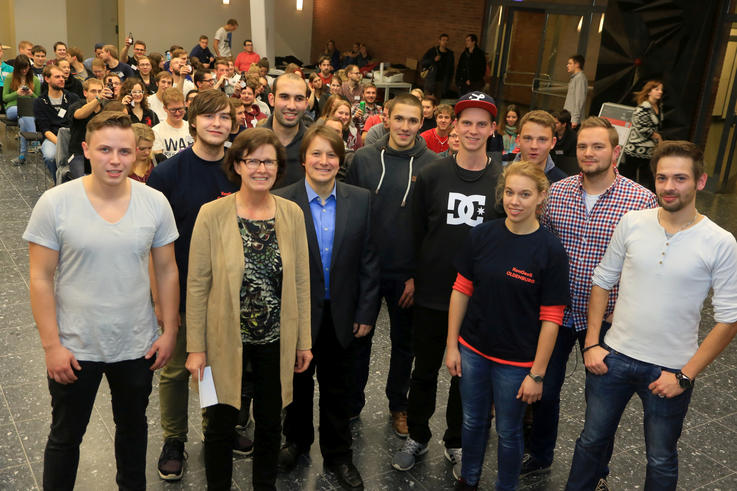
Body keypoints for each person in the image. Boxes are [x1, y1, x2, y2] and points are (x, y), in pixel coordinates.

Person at [566, 141, 737, 490]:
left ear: (700, 182)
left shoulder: (720, 242)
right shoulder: (632, 223)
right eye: (662, 178)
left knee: (660, 458)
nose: (669, 186)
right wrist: (592, 343)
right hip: (612, 358)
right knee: (590, 443)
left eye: (680, 178)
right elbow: (601, 281)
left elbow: (729, 319)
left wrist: (686, 376)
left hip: (670, 371)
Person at [24, 111, 180, 490]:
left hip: (136, 344)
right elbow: (40, 277)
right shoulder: (55, 202)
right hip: (75, 346)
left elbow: (167, 270)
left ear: (137, 153)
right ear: (86, 150)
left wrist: (170, 331)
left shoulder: (155, 202)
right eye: (105, 149)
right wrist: (51, 347)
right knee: (65, 437)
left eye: (125, 151)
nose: (115, 159)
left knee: (132, 431)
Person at [523, 117, 657, 485]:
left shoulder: (642, 200)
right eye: (582, 146)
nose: (588, 153)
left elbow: (648, 262)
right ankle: (538, 454)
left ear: (615, 152)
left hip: (609, 318)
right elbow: (543, 250)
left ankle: (597, 472)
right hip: (557, 312)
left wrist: (626, 302)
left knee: (601, 405)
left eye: (597, 146)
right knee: (545, 391)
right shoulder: (558, 192)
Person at [185, 127, 312, 490]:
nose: (261, 168)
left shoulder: (291, 214)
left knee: (271, 424)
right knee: (217, 424)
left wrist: (303, 341)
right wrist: (196, 348)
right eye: (252, 160)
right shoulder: (211, 214)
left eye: (269, 161)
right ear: (237, 165)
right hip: (217, 341)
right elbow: (197, 285)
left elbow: (300, 281)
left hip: (275, 339)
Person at [393, 91, 503, 475]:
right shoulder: (433, 175)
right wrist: (410, 276)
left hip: (480, 299)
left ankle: (455, 441)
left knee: (467, 375)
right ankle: (418, 436)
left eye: (481, 123)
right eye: (466, 122)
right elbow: (414, 229)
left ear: (493, 129)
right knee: (423, 370)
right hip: (433, 293)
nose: (473, 130)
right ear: (454, 126)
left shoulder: (503, 178)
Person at [147, 90, 254, 481]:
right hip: (180, 290)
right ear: (193, 121)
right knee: (176, 370)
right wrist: (161, 302)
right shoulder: (166, 174)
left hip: (229, 293)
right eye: (210, 117)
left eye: (225, 117)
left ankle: (215, 432)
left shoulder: (238, 170)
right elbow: (153, 246)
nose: (218, 124)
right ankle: (174, 438)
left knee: (215, 369)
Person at [446, 160, 570, 491]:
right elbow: (461, 290)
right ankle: (468, 479)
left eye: (525, 194)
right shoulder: (482, 234)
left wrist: (537, 373)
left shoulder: (551, 250)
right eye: (510, 193)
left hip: (517, 362)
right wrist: (452, 345)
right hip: (473, 349)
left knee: (509, 430)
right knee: (472, 420)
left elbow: (552, 318)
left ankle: (506, 485)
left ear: (541, 197)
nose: (515, 201)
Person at [274, 126, 380, 489]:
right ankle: (295, 443)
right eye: (316, 154)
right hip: (299, 317)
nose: (323, 161)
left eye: (331, 155)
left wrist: (366, 312)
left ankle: (339, 456)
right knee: (297, 386)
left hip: (344, 316)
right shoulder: (281, 202)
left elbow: (369, 260)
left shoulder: (361, 200)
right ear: (303, 159)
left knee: (339, 389)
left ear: (341, 160)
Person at [345, 93, 439, 436]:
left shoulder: (433, 164)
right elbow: (349, 214)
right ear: (386, 117)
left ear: (421, 123)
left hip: (407, 274)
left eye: (413, 120)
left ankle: (399, 405)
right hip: (365, 270)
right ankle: (351, 405)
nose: (405, 126)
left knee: (404, 346)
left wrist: (418, 275)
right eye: (399, 118)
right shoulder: (364, 159)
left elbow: (433, 227)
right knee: (358, 341)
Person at [33, 64, 79, 181]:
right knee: (50, 156)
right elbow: (45, 130)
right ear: (47, 79)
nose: (62, 79)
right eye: (57, 77)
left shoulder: (72, 98)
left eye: (63, 77)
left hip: (72, 135)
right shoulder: (40, 102)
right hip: (52, 137)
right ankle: (57, 181)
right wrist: (60, 143)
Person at [264, 73, 310, 188]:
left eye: (299, 99)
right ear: (271, 99)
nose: (291, 106)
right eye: (284, 97)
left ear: (306, 103)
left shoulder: (314, 145)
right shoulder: (251, 142)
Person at [621, 80, 664, 192]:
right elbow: (641, 127)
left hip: (649, 150)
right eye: (657, 89)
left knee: (651, 176)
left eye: (661, 89)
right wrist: (657, 137)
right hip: (636, 148)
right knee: (629, 176)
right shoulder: (644, 107)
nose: (660, 92)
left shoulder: (658, 106)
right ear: (649, 92)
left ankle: (651, 199)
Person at [67, 78, 114, 178]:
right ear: (85, 93)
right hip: (79, 153)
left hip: (102, 152)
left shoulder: (107, 108)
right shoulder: (77, 105)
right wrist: (98, 99)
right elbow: (79, 114)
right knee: (81, 180)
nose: (97, 94)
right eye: (93, 91)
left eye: (99, 91)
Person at [3, 54, 41, 166]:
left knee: (23, 121)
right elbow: (5, 98)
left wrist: (31, 93)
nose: (24, 70)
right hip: (13, 108)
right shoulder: (10, 77)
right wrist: (17, 93)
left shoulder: (35, 80)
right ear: (17, 68)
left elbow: (38, 100)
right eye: (21, 68)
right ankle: (35, 140)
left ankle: (22, 156)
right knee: (24, 114)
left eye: (26, 67)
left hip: (29, 109)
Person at [514, 110, 567, 183]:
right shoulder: (500, 175)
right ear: (518, 140)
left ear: (553, 143)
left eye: (542, 139)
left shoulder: (563, 184)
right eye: (528, 138)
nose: (534, 146)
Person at [152, 87, 193, 159]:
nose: (177, 113)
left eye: (180, 109)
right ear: (165, 108)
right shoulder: (156, 132)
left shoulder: (192, 128)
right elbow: (159, 162)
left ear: (184, 105)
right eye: (173, 110)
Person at [420, 33, 454, 99]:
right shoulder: (432, 51)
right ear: (439, 41)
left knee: (437, 100)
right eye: (443, 40)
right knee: (427, 99)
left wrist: (448, 82)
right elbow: (423, 62)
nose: (445, 42)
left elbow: (451, 69)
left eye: (447, 40)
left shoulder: (450, 54)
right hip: (431, 80)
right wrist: (433, 60)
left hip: (441, 82)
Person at [563, 55, 587, 129]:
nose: (567, 65)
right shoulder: (575, 78)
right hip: (568, 117)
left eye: (570, 63)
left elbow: (579, 100)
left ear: (577, 64)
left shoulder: (580, 78)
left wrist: (575, 119)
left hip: (573, 120)